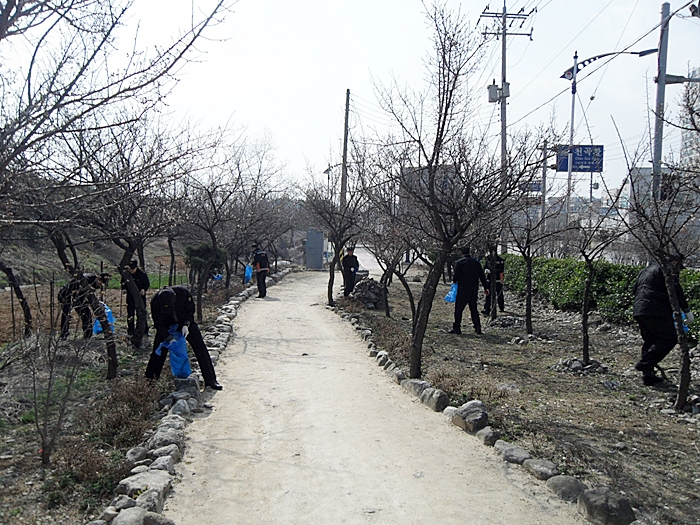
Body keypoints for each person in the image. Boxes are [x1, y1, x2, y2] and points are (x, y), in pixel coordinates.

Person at [145, 285, 222, 390]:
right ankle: (149, 384)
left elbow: (190, 310)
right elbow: (158, 323)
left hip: (185, 322)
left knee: (200, 347)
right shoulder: (155, 301)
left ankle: (210, 380)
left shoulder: (183, 293)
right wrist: (168, 337)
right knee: (158, 352)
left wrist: (186, 324)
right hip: (166, 326)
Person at [632, 257, 694, 386]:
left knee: (650, 341)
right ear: (674, 262)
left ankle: (648, 376)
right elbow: (675, 290)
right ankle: (644, 364)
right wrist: (686, 310)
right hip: (656, 309)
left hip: (639, 308)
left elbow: (634, 290)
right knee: (669, 338)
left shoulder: (645, 271)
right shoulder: (667, 269)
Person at [449, 246, 489, 335]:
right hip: (473, 289)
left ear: (461, 253)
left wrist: (455, 281)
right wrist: (486, 288)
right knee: (473, 309)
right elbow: (482, 276)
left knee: (459, 309)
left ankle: (457, 328)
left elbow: (455, 278)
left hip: (462, 289)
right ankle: (478, 327)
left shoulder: (459, 263)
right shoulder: (476, 263)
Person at [59, 272, 110, 339]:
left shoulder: (95, 283)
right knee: (66, 314)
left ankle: (88, 335)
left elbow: (88, 296)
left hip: (79, 296)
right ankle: (63, 335)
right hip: (66, 294)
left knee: (86, 314)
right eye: (101, 282)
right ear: (98, 278)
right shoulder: (87, 280)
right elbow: (75, 291)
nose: (101, 285)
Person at [121, 260, 150, 336]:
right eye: (130, 269)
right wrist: (124, 289)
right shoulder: (126, 275)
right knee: (130, 314)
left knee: (141, 313)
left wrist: (144, 289)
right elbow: (123, 283)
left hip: (140, 297)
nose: (131, 270)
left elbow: (147, 284)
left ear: (136, 267)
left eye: (133, 269)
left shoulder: (142, 274)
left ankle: (145, 330)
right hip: (130, 297)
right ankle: (130, 330)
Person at [483, 249, 505, 314]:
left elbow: (501, 270)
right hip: (489, 279)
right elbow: (485, 267)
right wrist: (486, 270)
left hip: (498, 279)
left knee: (499, 294)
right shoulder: (488, 259)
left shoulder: (500, 260)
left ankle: (501, 307)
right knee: (488, 294)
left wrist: (501, 280)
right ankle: (487, 308)